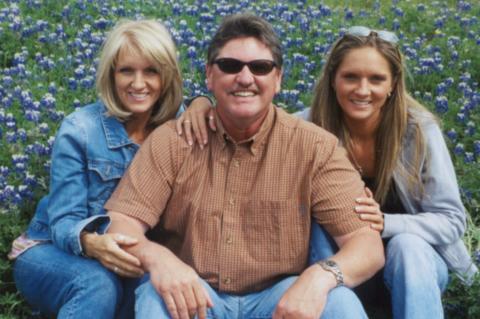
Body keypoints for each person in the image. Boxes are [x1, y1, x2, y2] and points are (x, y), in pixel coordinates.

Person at [181, 25, 478, 318]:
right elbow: (255, 115)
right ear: (333, 79)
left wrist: (385, 224)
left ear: (393, 84)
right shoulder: (307, 128)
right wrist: (201, 103)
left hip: (412, 271)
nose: (363, 89)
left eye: (376, 79)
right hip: (337, 265)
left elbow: (452, 221)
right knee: (320, 222)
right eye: (351, 77)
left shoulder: (418, 131)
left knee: (407, 246)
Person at [105, 13, 384, 319]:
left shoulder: (315, 147)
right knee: (155, 298)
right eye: (230, 65)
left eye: (260, 67)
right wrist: (158, 258)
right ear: (209, 75)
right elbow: (121, 222)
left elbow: (366, 245)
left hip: (280, 298)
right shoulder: (173, 140)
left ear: (278, 79)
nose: (245, 78)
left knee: (340, 303)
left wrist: (319, 278)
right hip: (196, 294)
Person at [11, 19, 212, 319]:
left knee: (171, 289)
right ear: (111, 74)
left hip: (131, 257)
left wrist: (203, 103)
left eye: (151, 71)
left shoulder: (179, 127)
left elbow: (216, 113)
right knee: (97, 284)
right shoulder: (80, 129)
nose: (138, 83)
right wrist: (92, 243)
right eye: (126, 71)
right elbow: (64, 221)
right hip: (53, 250)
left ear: (167, 75)